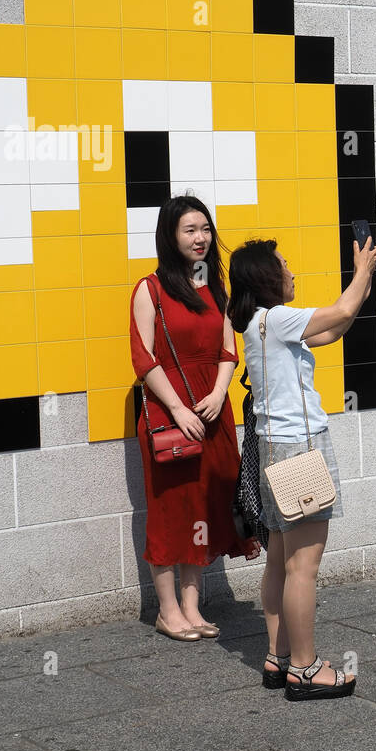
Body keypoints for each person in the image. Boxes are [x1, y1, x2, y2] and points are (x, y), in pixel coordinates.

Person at [228, 235, 376, 700]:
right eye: (284, 265)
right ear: (266, 277)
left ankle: (278, 658)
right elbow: (335, 313)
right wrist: (362, 270)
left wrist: (362, 285)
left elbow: (332, 330)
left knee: (280, 558)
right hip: (301, 449)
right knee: (304, 567)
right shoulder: (277, 317)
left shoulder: (261, 323)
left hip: (276, 448)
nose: (291, 272)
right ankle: (305, 668)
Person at [129, 196, 259, 642]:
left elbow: (228, 350)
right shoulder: (150, 288)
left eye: (205, 228)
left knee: (204, 504)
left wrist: (220, 392)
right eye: (190, 230)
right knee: (170, 510)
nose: (200, 237)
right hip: (170, 414)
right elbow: (142, 358)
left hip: (212, 409)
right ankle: (167, 610)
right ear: (171, 235)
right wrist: (180, 408)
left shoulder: (214, 286)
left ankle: (191, 605)